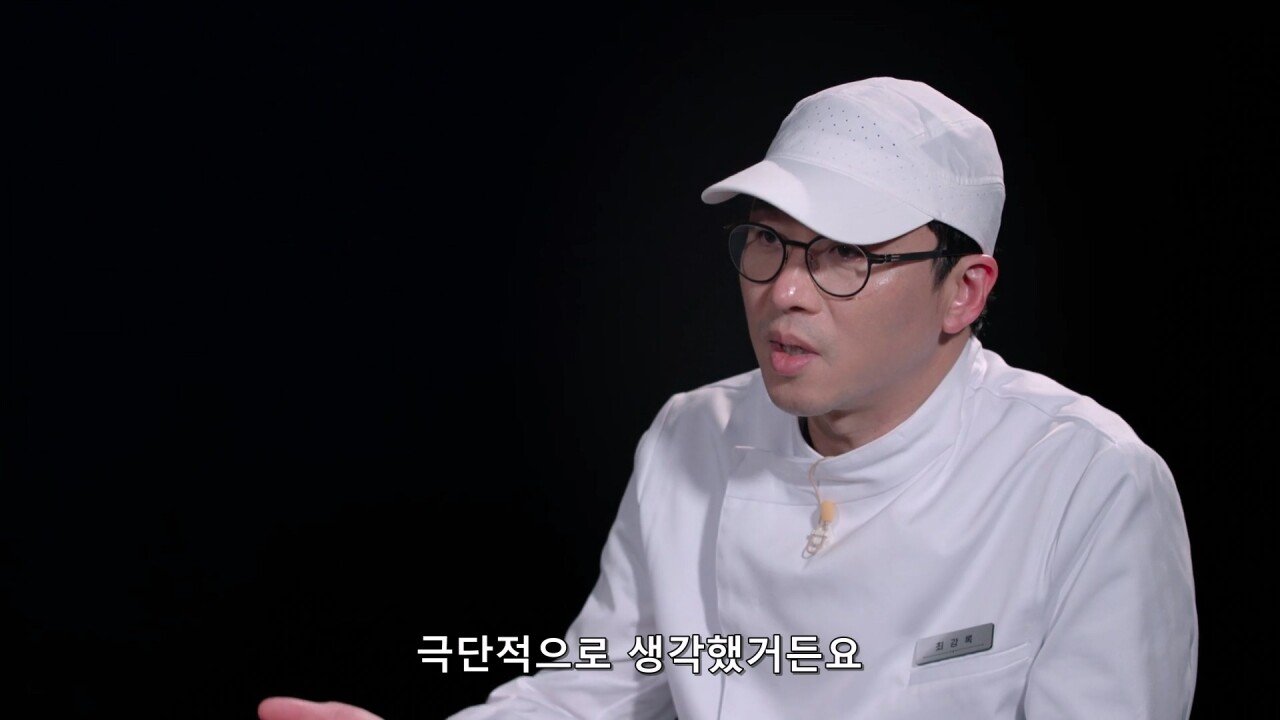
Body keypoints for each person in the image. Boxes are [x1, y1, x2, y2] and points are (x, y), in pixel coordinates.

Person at [259, 76, 1199, 719]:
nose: (784, 289)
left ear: (964, 290)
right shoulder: (691, 436)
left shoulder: (1087, 484)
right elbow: (595, 690)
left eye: (845, 254)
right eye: (768, 242)